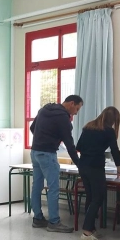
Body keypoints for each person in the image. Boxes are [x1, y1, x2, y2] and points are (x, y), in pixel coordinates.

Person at [29, 95, 83, 232]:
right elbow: (69, 144)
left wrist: (42, 138)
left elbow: (32, 128)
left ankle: (38, 218)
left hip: (35, 152)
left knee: (37, 186)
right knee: (53, 188)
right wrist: (79, 164)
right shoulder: (63, 117)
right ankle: (54, 222)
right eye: (77, 109)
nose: (76, 113)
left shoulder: (44, 109)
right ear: (72, 103)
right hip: (48, 154)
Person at [75, 107, 120, 240]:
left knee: (90, 197)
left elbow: (79, 146)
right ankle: (86, 233)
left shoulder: (88, 126)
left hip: (83, 165)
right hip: (95, 167)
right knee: (98, 198)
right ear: (113, 120)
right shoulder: (108, 131)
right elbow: (114, 150)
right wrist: (119, 168)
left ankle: (90, 228)